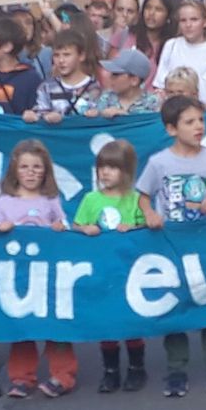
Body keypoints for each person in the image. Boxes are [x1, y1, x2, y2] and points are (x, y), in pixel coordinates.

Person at [137, 96, 206, 397]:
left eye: (201, 121)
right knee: (176, 304)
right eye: (189, 122)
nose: (198, 127)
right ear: (171, 129)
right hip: (172, 244)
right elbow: (142, 195)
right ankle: (176, 369)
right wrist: (150, 213)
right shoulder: (159, 162)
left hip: (205, 240)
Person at [0, 140, 75, 399]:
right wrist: (1, 228)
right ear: (14, 170)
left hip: (47, 274)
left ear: (45, 170)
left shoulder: (50, 200)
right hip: (17, 275)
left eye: (37, 167)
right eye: (25, 166)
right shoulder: (5, 201)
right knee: (21, 327)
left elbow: (64, 224)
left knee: (55, 325)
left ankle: (63, 374)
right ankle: (21, 377)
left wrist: (61, 228)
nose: (30, 172)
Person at [73, 140, 149, 393]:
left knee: (130, 321)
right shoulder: (91, 199)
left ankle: (137, 368)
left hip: (128, 271)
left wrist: (134, 229)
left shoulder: (135, 199)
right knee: (107, 321)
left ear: (126, 171)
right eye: (101, 167)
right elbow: (75, 228)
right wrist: (85, 229)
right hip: (101, 271)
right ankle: (111, 370)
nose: (105, 172)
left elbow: (148, 231)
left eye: (112, 167)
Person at [24, 28, 101, 122]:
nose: (61, 60)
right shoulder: (46, 88)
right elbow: (39, 113)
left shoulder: (96, 87)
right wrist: (36, 116)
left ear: (81, 56)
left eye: (67, 55)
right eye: (56, 55)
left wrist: (98, 114)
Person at [152, 0, 206, 90]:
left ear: (205, 22)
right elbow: (160, 84)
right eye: (183, 20)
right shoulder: (171, 45)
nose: (188, 25)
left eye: (194, 19)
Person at [91, 48, 160, 116]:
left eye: (115, 74)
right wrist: (97, 115)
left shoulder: (153, 104)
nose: (110, 77)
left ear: (134, 80)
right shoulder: (105, 98)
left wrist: (125, 117)